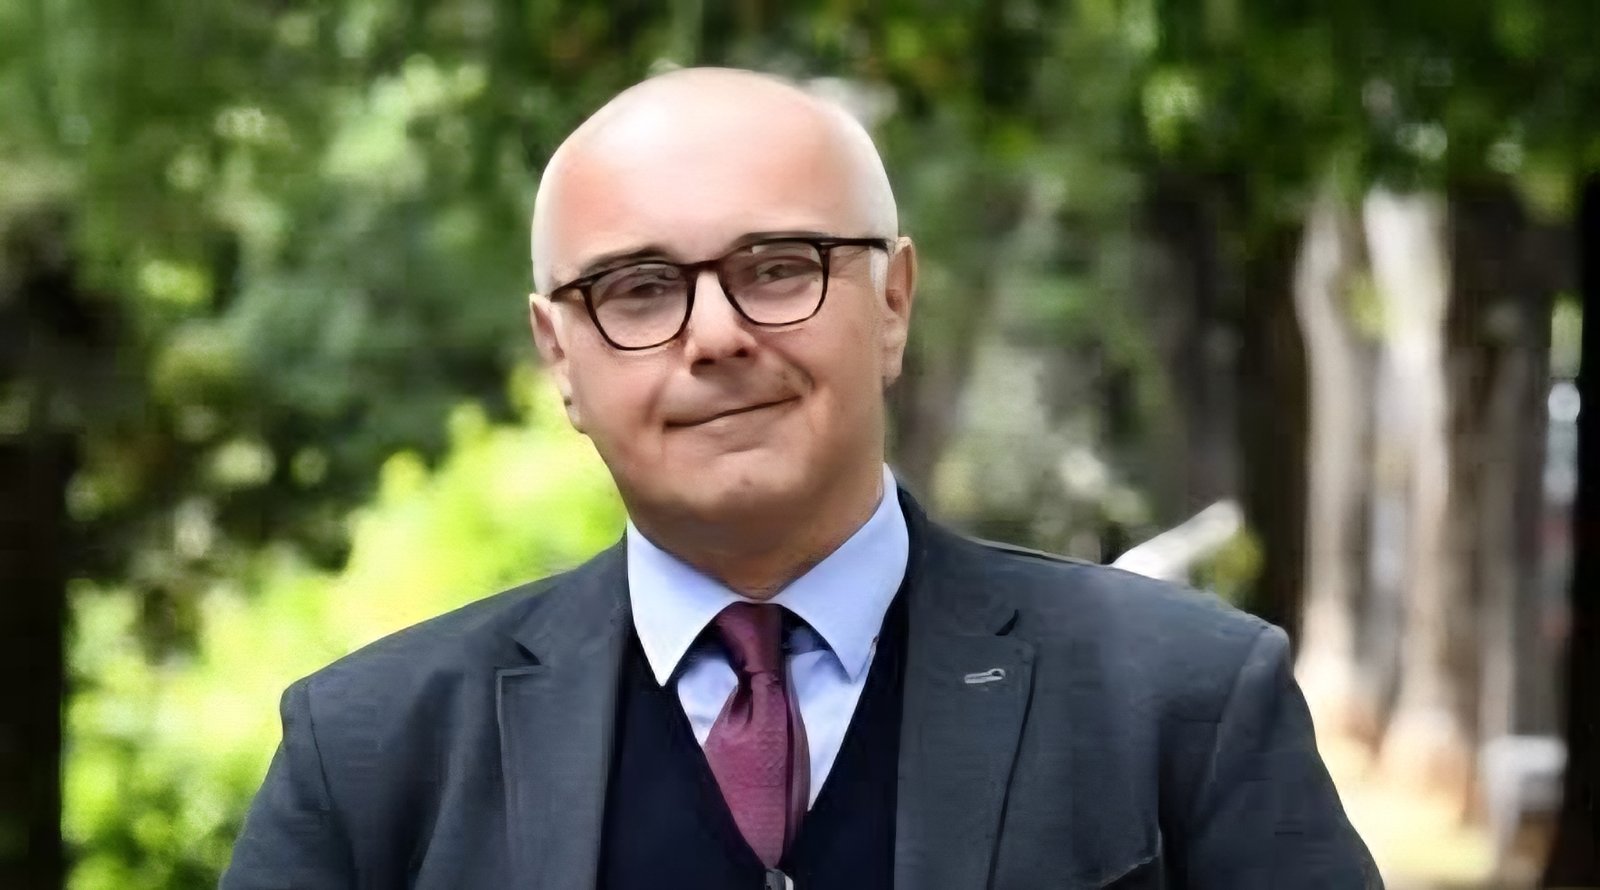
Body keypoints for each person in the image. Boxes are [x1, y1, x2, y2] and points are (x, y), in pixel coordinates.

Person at [221, 67, 1381, 889]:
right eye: (638, 290)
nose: (716, 335)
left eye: (778, 267)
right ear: (559, 358)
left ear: (893, 302)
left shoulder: (1180, 698)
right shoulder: (370, 753)